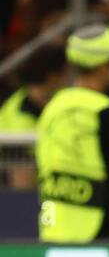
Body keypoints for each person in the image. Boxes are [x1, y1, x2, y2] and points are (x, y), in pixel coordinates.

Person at [35, 25, 109, 243]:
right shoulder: (102, 109)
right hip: (103, 227)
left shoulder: (54, 107)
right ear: (102, 66)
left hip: (57, 227)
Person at [0, 45, 65, 189]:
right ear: (53, 77)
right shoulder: (15, 115)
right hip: (19, 194)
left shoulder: (62, 102)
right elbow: (22, 182)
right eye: (66, 74)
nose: (68, 79)